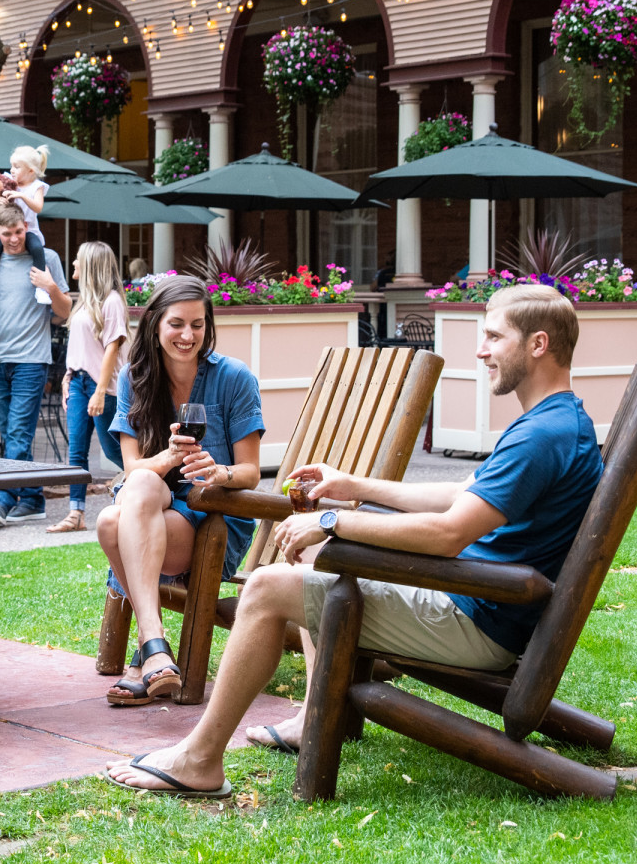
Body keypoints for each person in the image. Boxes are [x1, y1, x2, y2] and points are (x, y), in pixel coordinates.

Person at [104, 283, 603, 798]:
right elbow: (462, 493)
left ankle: (200, 759)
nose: (481, 350)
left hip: (473, 618)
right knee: (319, 562)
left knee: (267, 587)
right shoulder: (557, 423)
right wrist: (354, 487)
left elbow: (450, 531)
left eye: (494, 338)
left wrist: (331, 523)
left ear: (538, 344)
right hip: (480, 604)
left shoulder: (541, 435)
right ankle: (312, 719)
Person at [97, 274, 264, 706]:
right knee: (133, 496)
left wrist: (219, 471)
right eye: (176, 324)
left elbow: (250, 473)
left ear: (208, 327)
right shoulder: (137, 378)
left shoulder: (233, 379)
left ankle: (147, 649)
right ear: (154, 324)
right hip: (152, 512)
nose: (187, 335)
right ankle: (155, 648)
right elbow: (134, 469)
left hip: (213, 522)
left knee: (111, 522)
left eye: (197, 324)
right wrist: (171, 457)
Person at [0, 202, 71, 526]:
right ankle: (33, 498)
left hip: (32, 358)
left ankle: (4, 497)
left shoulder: (47, 259)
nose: (14, 239)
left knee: (19, 433)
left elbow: (64, 312)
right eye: (7, 233)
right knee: (11, 432)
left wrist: (51, 287)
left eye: (19, 232)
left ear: (27, 226)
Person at [50, 242, 129, 534]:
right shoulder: (84, 301)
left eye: (77, 261)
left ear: (91, 265)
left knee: (114, 450)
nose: (73, 265)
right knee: (77, 452)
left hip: (102, 386)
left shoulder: (112, 302)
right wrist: (68, 376)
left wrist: (99, 390)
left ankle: (155, 484)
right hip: (79, 382)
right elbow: (81, 346)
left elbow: (112, 348)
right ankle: (76, 514)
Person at [0, 146, 51, 312]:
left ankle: (40, 288)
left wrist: (21, 195)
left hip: (27, 230)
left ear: (30, 170)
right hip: (4, 228)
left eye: (17, 167)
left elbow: (38, 207)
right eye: (11, 166)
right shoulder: (7, 179)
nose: (12, 170)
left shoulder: (37, 186)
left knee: (37, 250)